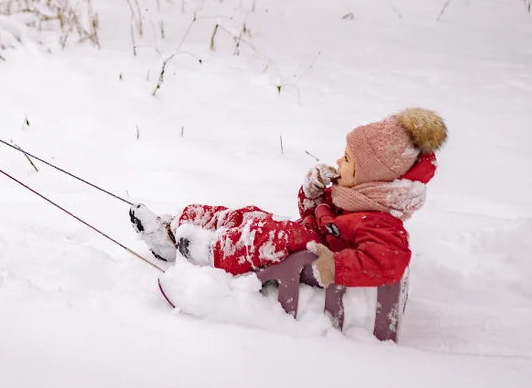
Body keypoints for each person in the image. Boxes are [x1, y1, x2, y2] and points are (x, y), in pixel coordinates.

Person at [130, 108, 446, 287]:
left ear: (373, 176)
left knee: (267, 236)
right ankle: (175, 228)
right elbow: (314, 216)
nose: (339, 163)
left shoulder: (380, 221)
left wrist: (337, 266)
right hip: (304, 237)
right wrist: (313, 192)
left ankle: (201, 252)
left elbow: (388, 262)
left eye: (348, 161)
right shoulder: (357, 195)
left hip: (310, 257)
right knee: (249, 216)